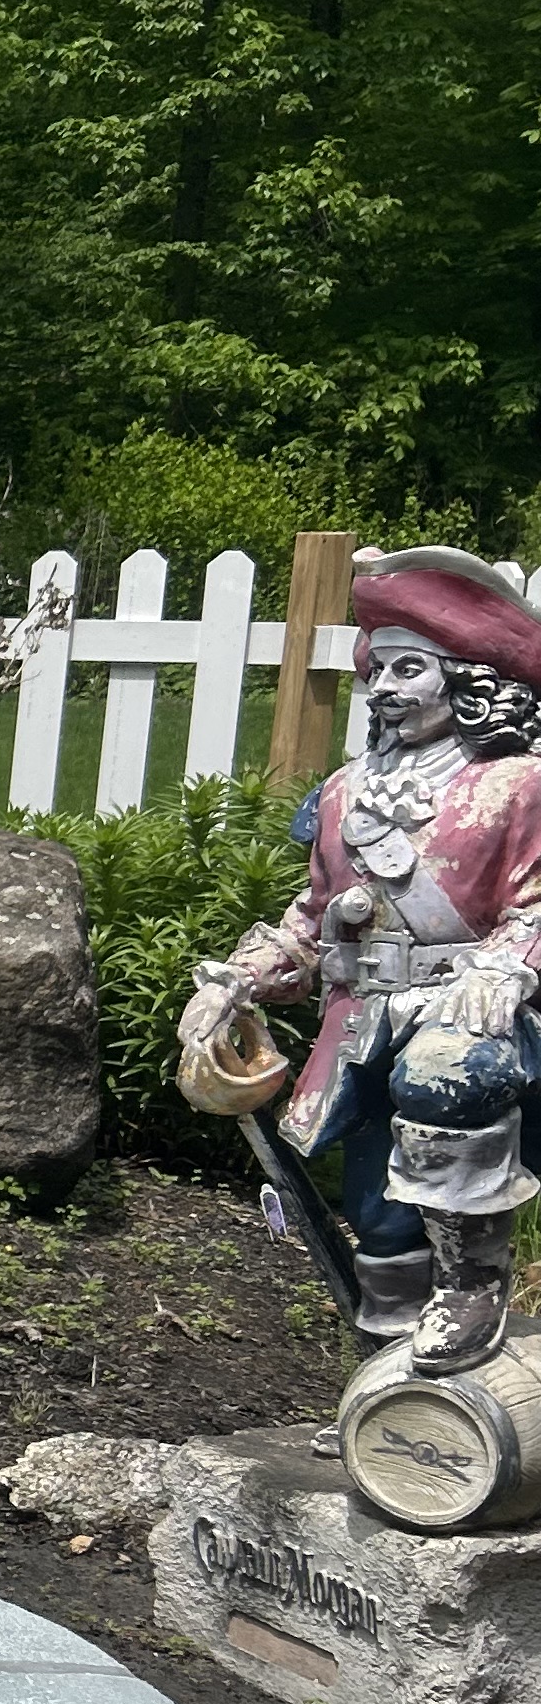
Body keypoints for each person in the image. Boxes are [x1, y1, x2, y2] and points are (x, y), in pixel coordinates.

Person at [183, 549, 541, 1372]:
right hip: (363, 1023)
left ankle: (471, 1285)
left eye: (410, 668)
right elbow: (313, 921)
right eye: (378, 668)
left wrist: (502, 967)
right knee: (376, 1210)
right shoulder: (348, 791)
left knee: (445, 1082)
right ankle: (384, 1379)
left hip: (474, 1021)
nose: (385, 687)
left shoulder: (520, 785)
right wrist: (239, 979)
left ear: (470, 680)